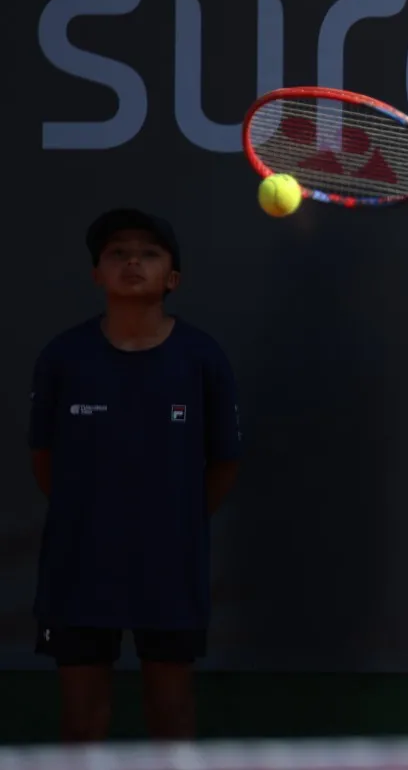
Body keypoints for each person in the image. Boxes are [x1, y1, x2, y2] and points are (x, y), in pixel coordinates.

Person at [28, 208, 242, 742]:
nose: (132, 262)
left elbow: (223, 464)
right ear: (96, 274)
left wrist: (177, 521)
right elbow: (44, 460)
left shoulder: (201, 358)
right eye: (117, 253)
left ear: (173, 278)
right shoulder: (63, 356)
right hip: (78, 563)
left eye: (148, 253)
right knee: (82, 720)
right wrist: (88, 515)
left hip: (170, 564)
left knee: (171, 712)